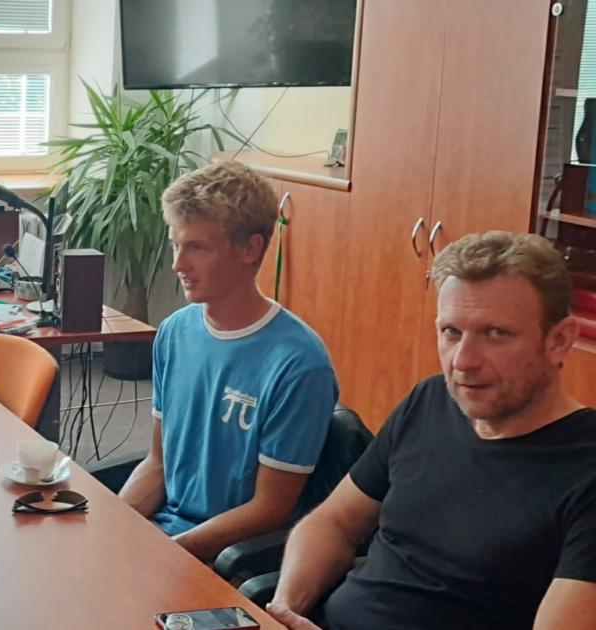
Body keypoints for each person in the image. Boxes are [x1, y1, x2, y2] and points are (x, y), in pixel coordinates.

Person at [267, 231, 596, 630]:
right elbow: (335, 522)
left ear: (559, 341)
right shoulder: (430, 401)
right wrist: (286, 609)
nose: (463, 361)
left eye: (497, 334)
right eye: (451, 332)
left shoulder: (585, 470)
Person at [118, 161, 339, 560]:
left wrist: (166, 554)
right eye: (175, 245)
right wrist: (112, 528)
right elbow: (158, 464)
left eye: (197, 248)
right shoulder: (174, 332)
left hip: (221, 558)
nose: (178, 264)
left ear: (250, 249)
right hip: (165, 538)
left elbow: (269, 510)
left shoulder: (300, 365)